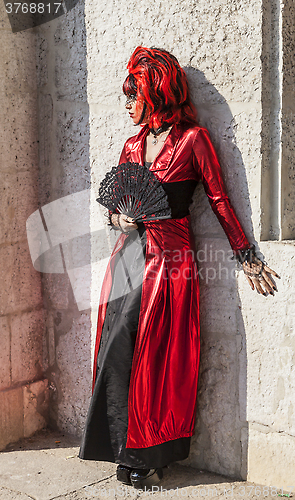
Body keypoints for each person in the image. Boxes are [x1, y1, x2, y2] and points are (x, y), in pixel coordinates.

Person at [79, 46, 279, 489]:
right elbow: (115, 204)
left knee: (156, 360)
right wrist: (119, 218)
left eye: (133, 96)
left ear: (155, 94)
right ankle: (117, 444)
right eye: (125, 96)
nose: (127, 105)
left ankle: (148, 453)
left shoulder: (194, 140)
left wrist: (246, 255)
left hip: (170, 264)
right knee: (117, 350)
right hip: (128, 258)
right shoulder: (132, 144)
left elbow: (220, 199)